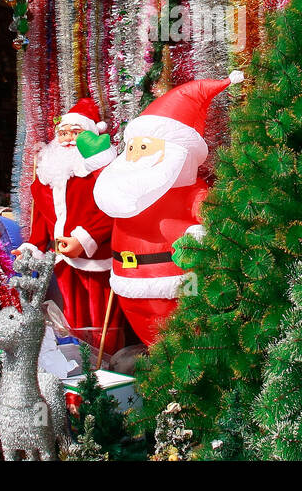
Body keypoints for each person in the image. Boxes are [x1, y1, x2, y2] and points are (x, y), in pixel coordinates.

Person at [93, 73, 241, 345]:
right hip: (127, 283)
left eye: (145, 147)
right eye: (132, 147)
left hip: (173, 283)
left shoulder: (193, 192)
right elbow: (105, 204)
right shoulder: (125, 186)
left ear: (178, 151)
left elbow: (213, 218)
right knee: (151, 341)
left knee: (180, 343)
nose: (135, 155)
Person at [27, 97, 126, 355]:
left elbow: (112, 209)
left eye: (76, 132)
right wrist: (33, 245)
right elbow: (40, 214)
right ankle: (78, 365)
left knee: (100, 323)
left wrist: (84, 239)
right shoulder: (48, 173)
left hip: (98, 259)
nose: (68, 138)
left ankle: (105, 371)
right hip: (62, 262)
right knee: (70, 320)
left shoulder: (100, 171)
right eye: (63, 132)